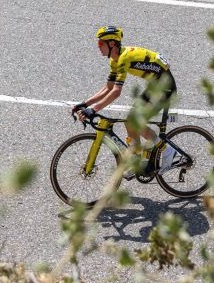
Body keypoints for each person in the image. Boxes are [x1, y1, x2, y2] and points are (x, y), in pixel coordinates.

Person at [73, 26, 176, 176]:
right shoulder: (114, 60)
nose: (98, 47)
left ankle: (168, 151)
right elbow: (108, 87)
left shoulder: (124, 58)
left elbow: (116, 92)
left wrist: (94, 110)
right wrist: (85, 104)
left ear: (112, 44)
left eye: (101, 43)